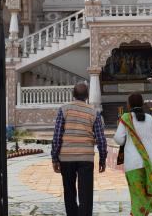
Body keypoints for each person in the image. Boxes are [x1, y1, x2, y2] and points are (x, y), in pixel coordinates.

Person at [51, 83, 107, 216]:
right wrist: (103, 159)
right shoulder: (94, 112)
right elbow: (101, 138)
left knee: (69, 191)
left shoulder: (64, 109)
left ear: (73, 94)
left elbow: (57, 135)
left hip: (66, 158)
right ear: (87, 96)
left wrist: (54, 158)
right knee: (86, 193)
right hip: (86, 158)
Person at [114, 93, 152, 215]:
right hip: (149, 162)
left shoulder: (126, 118)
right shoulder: (150, 118)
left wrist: (128, 141)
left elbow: (118, 139)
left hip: (133, 163)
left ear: (129, 105)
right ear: (142, 104)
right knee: (144, 194)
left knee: (137, 196)